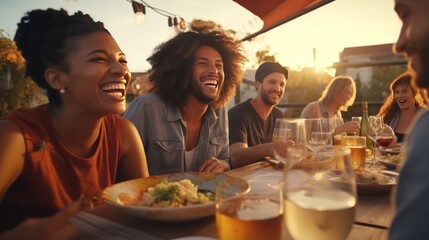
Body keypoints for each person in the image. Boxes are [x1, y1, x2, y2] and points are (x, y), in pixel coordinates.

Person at [0, 8, 149, 233]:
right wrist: (45, 230)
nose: (121, 70)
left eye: (122, 60)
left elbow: (147, 212)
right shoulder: (16, 135)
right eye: (99, 59)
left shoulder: (124, 132)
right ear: (57, 78)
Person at [123, 27, 247, 175]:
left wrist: (223, 164)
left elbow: (225, 158)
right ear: (181, 70)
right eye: (202, 63)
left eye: (219, 65)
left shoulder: (219, 110)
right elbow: (120, 171)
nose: (214, 71)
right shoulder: (147, 108)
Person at [388, 0, 429, 239]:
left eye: (406, 16)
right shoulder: (389, 117)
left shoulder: (425, 128)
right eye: (397, 92)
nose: (399, 43)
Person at [228, 62, 288, 168]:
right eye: (272, 82)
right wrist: (269, 148)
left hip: (269, 177)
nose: (278, 89)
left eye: (282, 84)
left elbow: (278, 156)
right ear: (258, 85)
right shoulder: (238, 113)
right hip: (243, 179)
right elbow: (236, 157)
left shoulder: (278, 114)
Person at [377, 72, 427, 142]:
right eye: (397, 92)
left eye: (404, 91)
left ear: (414, 93)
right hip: (391, 153)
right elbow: (377, 142)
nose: (400, 96)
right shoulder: (389, 117)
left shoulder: (425, 117)